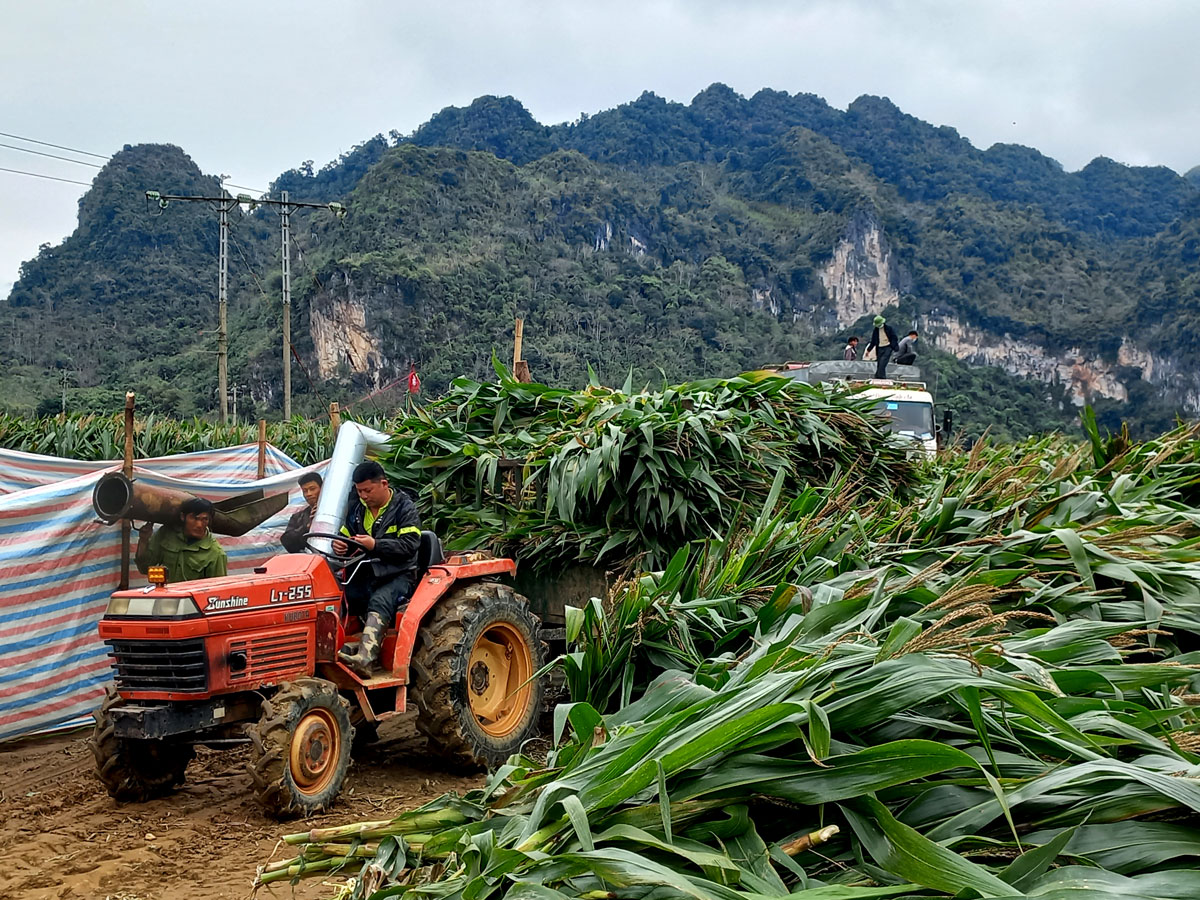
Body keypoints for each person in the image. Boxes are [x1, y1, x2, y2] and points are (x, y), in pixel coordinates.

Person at [334, 461, 422, 676]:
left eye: (367, 490)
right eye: (359, 491)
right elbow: (346, 535)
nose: (363, 496)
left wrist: (376, 545)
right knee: (338, 592)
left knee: (380, 599)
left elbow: (410, 545)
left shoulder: (404, 507)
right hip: (367, 572)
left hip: (399, 573)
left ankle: (366, 659)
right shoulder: (357, 510)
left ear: (384, 484)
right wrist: (340, 545)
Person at [135, 497, 228, 583]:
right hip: (168, 598)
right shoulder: (166, 534)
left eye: (204, 519)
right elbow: (144, 568)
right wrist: (143, 540)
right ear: (183, 517)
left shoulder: (216, 553)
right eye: (194, 518)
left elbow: (216, 594)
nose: (199, 525)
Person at [280, 472, 323, 553]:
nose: (308, 494)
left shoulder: (335, 511)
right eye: (305, 491)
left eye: (312, 489)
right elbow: (287, 542)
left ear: (322, 488)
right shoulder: (298, 517)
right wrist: (307, 527)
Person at [865, 315, 900, 379]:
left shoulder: (889, 329)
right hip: (879, 348)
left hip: (888, 347)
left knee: (883, 362)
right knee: (879, 363)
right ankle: (880, 377)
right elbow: (873, 341)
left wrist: (893, 346)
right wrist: (868, 350)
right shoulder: (876, 331)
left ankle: (879, 376)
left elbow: (894, 337)